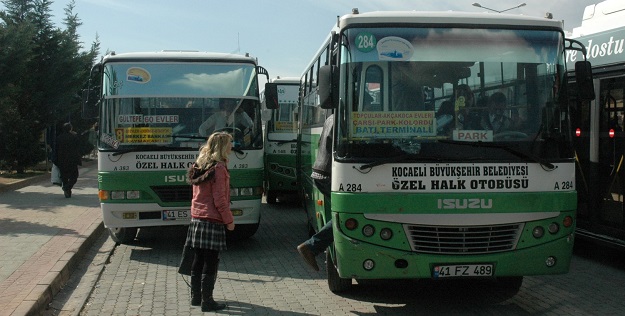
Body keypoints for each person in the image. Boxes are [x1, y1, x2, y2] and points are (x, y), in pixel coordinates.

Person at [185, 132, 235, 312]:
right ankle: (208, 301)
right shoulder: (219, 168)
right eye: (230, 143)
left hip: (197, 218)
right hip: (212, 219)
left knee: (198, 259)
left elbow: (195, 195)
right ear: (222, 146)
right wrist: (229, 220)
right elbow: (220, 199)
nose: (231, 146)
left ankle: (196, 298)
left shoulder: (199, 165)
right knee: (211, 261)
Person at [297, 114, 334, 271]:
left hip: (321, 171)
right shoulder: (345, 118)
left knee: (344, 215)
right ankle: (311, 246)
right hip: (327, 174)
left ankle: (312, 246)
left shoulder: (332, 117)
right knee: (346, 215)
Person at [54, 123, 82, 198]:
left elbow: (56, 149)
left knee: (64, 177)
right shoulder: (74, 137)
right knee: (74, 176)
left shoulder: (59, 138)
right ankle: (67, 188)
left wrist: (55, 160)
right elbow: (78, 147)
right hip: (72, 160)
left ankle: (67, 192)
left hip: (61, 161)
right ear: (70, 129)